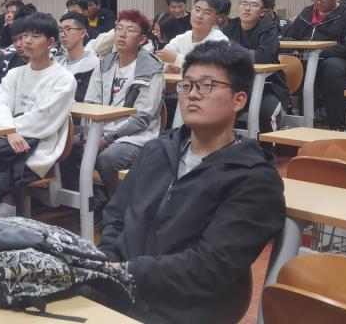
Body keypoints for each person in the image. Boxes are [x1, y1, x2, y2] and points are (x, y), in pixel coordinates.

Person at [98, 41, 285, 323]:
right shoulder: (156, 150)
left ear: (239, 100)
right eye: (186, 86)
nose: (192, 95)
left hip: (181, 310)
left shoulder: (254, 179)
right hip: (119, 291)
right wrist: (108, 263)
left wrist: (125, 271)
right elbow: (116, 215)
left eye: (207, 85)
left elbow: (211, 267)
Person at [67, 10, 164, 206]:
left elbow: (142, 119)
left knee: (108, 159)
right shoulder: (104, 64)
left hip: (136, 136)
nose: (122, 34)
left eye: (130, 30)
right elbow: (90, 104)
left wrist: (105, 140)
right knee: (64, 144)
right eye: (119, 29)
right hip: (99, 131)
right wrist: (88, 135)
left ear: (142, 39)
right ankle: (94, 199)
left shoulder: (151, 70)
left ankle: (119, 207)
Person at [0, 12, 76, 216]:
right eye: (24, 35)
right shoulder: (15, 74)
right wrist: (10, 131)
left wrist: (10, 130)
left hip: (37, 149)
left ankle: (1, 217)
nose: (26, 41)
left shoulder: (64, 79)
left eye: (35, 36)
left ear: (51, 42)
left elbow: (44, 118)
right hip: (7, 142)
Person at [282, 0, 346, 131]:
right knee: (286, 65)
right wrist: (291, 51)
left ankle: (337, 125)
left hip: (342, 63)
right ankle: (296, 121)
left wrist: (320, 54)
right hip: (307, 60)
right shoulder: (306, 13)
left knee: (331, 68)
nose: (318, 3)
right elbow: (290, 36)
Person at [222, 0, 289, 134]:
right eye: (243, 3)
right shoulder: (229, 26)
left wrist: (234, 54)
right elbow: (218, 52)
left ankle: (267, 149)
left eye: (253, 5)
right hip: (236, 85)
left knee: (265, 113)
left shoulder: (270, 28)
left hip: (268, 87)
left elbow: (263, 56)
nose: (247, 8)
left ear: (263, 12)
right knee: (216, 108)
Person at [154, 0, 230, 73]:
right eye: (197, 9)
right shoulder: (181, 39)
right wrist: (168, 68)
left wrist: (177, 59)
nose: (199, 16)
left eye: (207, 13)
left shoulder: (220, 41)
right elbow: (161, 60)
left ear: (216, 19)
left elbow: (211, 69)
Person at [55, 12, 98, 102]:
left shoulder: (94, 65)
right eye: (61, 30)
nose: (62, 35)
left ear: (82, 33)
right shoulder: (57, 63)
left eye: (68, 29)